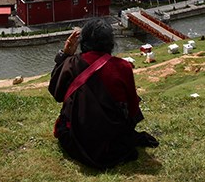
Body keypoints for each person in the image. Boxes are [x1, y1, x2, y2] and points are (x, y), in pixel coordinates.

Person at [48, 18, 157, 169]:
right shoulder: (123, 67)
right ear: (110, 42)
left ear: (83, 41)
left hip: (77, 140)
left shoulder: (72, 63)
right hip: (113, 142)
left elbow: (56, 93)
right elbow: (132, 109)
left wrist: (64, 55)